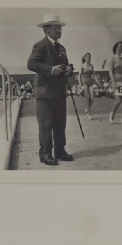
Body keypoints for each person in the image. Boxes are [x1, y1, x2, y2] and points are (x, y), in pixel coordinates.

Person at [26, 16, 74, 165]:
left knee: (60, 123)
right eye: (56, 28)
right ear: (47, 30)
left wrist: (70, 69)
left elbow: (66, 65)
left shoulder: (62, 48)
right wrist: (50, 70)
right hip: (45, 92)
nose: (60, 31)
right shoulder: (40, 45)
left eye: (60, 28)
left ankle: (60, 151)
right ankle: (45, 153)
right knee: (46, 125)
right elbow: (31, 64)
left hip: (60, 92)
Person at [107, 39, 122, 125]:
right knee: (118, 101)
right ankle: (112, 114)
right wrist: (114, 82)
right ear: (116, 47)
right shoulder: (112, 58)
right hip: (116, 81)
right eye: (120, 46)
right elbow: (110, 71)